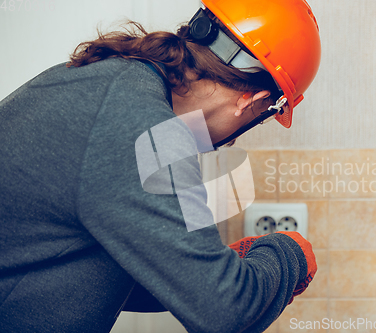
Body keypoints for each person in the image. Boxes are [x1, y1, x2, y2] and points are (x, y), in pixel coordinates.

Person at [0, 0, 321, 332]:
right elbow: (225, 310)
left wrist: (201, 267)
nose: (232, 141)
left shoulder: (118, 84)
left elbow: (88, 271)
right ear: (252, 102)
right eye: (261, 119)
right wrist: (287, 254)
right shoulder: (148, 128)